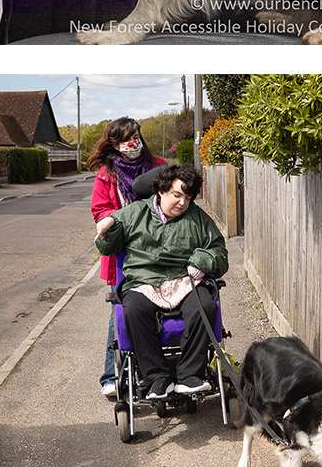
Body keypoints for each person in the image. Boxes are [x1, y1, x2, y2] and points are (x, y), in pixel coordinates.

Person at [93, 163, 228, 401]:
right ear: (162, 190)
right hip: (144, 280)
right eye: (177, 195)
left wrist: (201, 260)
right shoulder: (136, 212)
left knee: (205, 305)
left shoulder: (198, 219)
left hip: (184, 280)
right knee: (132, 310)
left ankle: (189, 376)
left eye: (187, 197)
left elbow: (218, 252)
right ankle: (157, 378)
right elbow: (109, 245)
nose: (182, 203)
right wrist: (108, 227)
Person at [88, 117, 164, 399]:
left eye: (134, 137)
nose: (131, 144)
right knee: (121, 310)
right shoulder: (107, 175)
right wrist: (127, 221)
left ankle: (157, 368)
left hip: (159, 248)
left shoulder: (158, 166)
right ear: (114, 144)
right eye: (124, 140)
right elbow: (101, 213)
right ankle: (110, 375)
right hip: (123, 253)